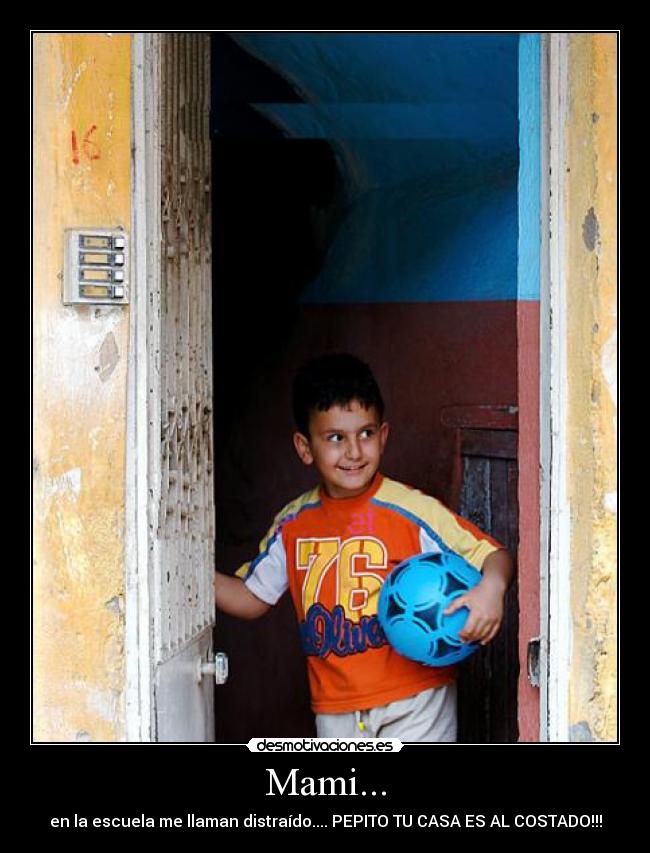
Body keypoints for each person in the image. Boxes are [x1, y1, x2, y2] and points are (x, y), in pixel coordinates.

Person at [214, 353, 514, 742]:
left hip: (418, 699)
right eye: (336, 438)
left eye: (366, 434)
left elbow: (494, 555)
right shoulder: (293, 523)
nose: (354, 452)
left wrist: (492, 590)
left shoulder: (410, 510)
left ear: (383, 436)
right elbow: (252, 597)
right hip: (334, 706)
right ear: (305, 448)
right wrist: (190, 580)